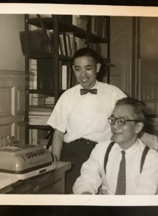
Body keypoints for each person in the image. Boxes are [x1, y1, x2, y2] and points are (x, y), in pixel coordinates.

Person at [47, 48, 127, 193]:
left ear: (97, 68)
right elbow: (58, 134)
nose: (83, 75)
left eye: (88, 68)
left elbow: (129, 122)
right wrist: (57, 165)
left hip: (100, 153)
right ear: (73, 69)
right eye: (78, 69)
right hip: (71, 154)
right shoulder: (67, 96)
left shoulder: (113, 93)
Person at [73, 97, 158, 195]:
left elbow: (141, 199)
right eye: (113, 119)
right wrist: (85, 194)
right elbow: (87, 176)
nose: (115, 126)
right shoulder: (102, 149)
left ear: (138, 127)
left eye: (121, 121)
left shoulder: (151, 158)